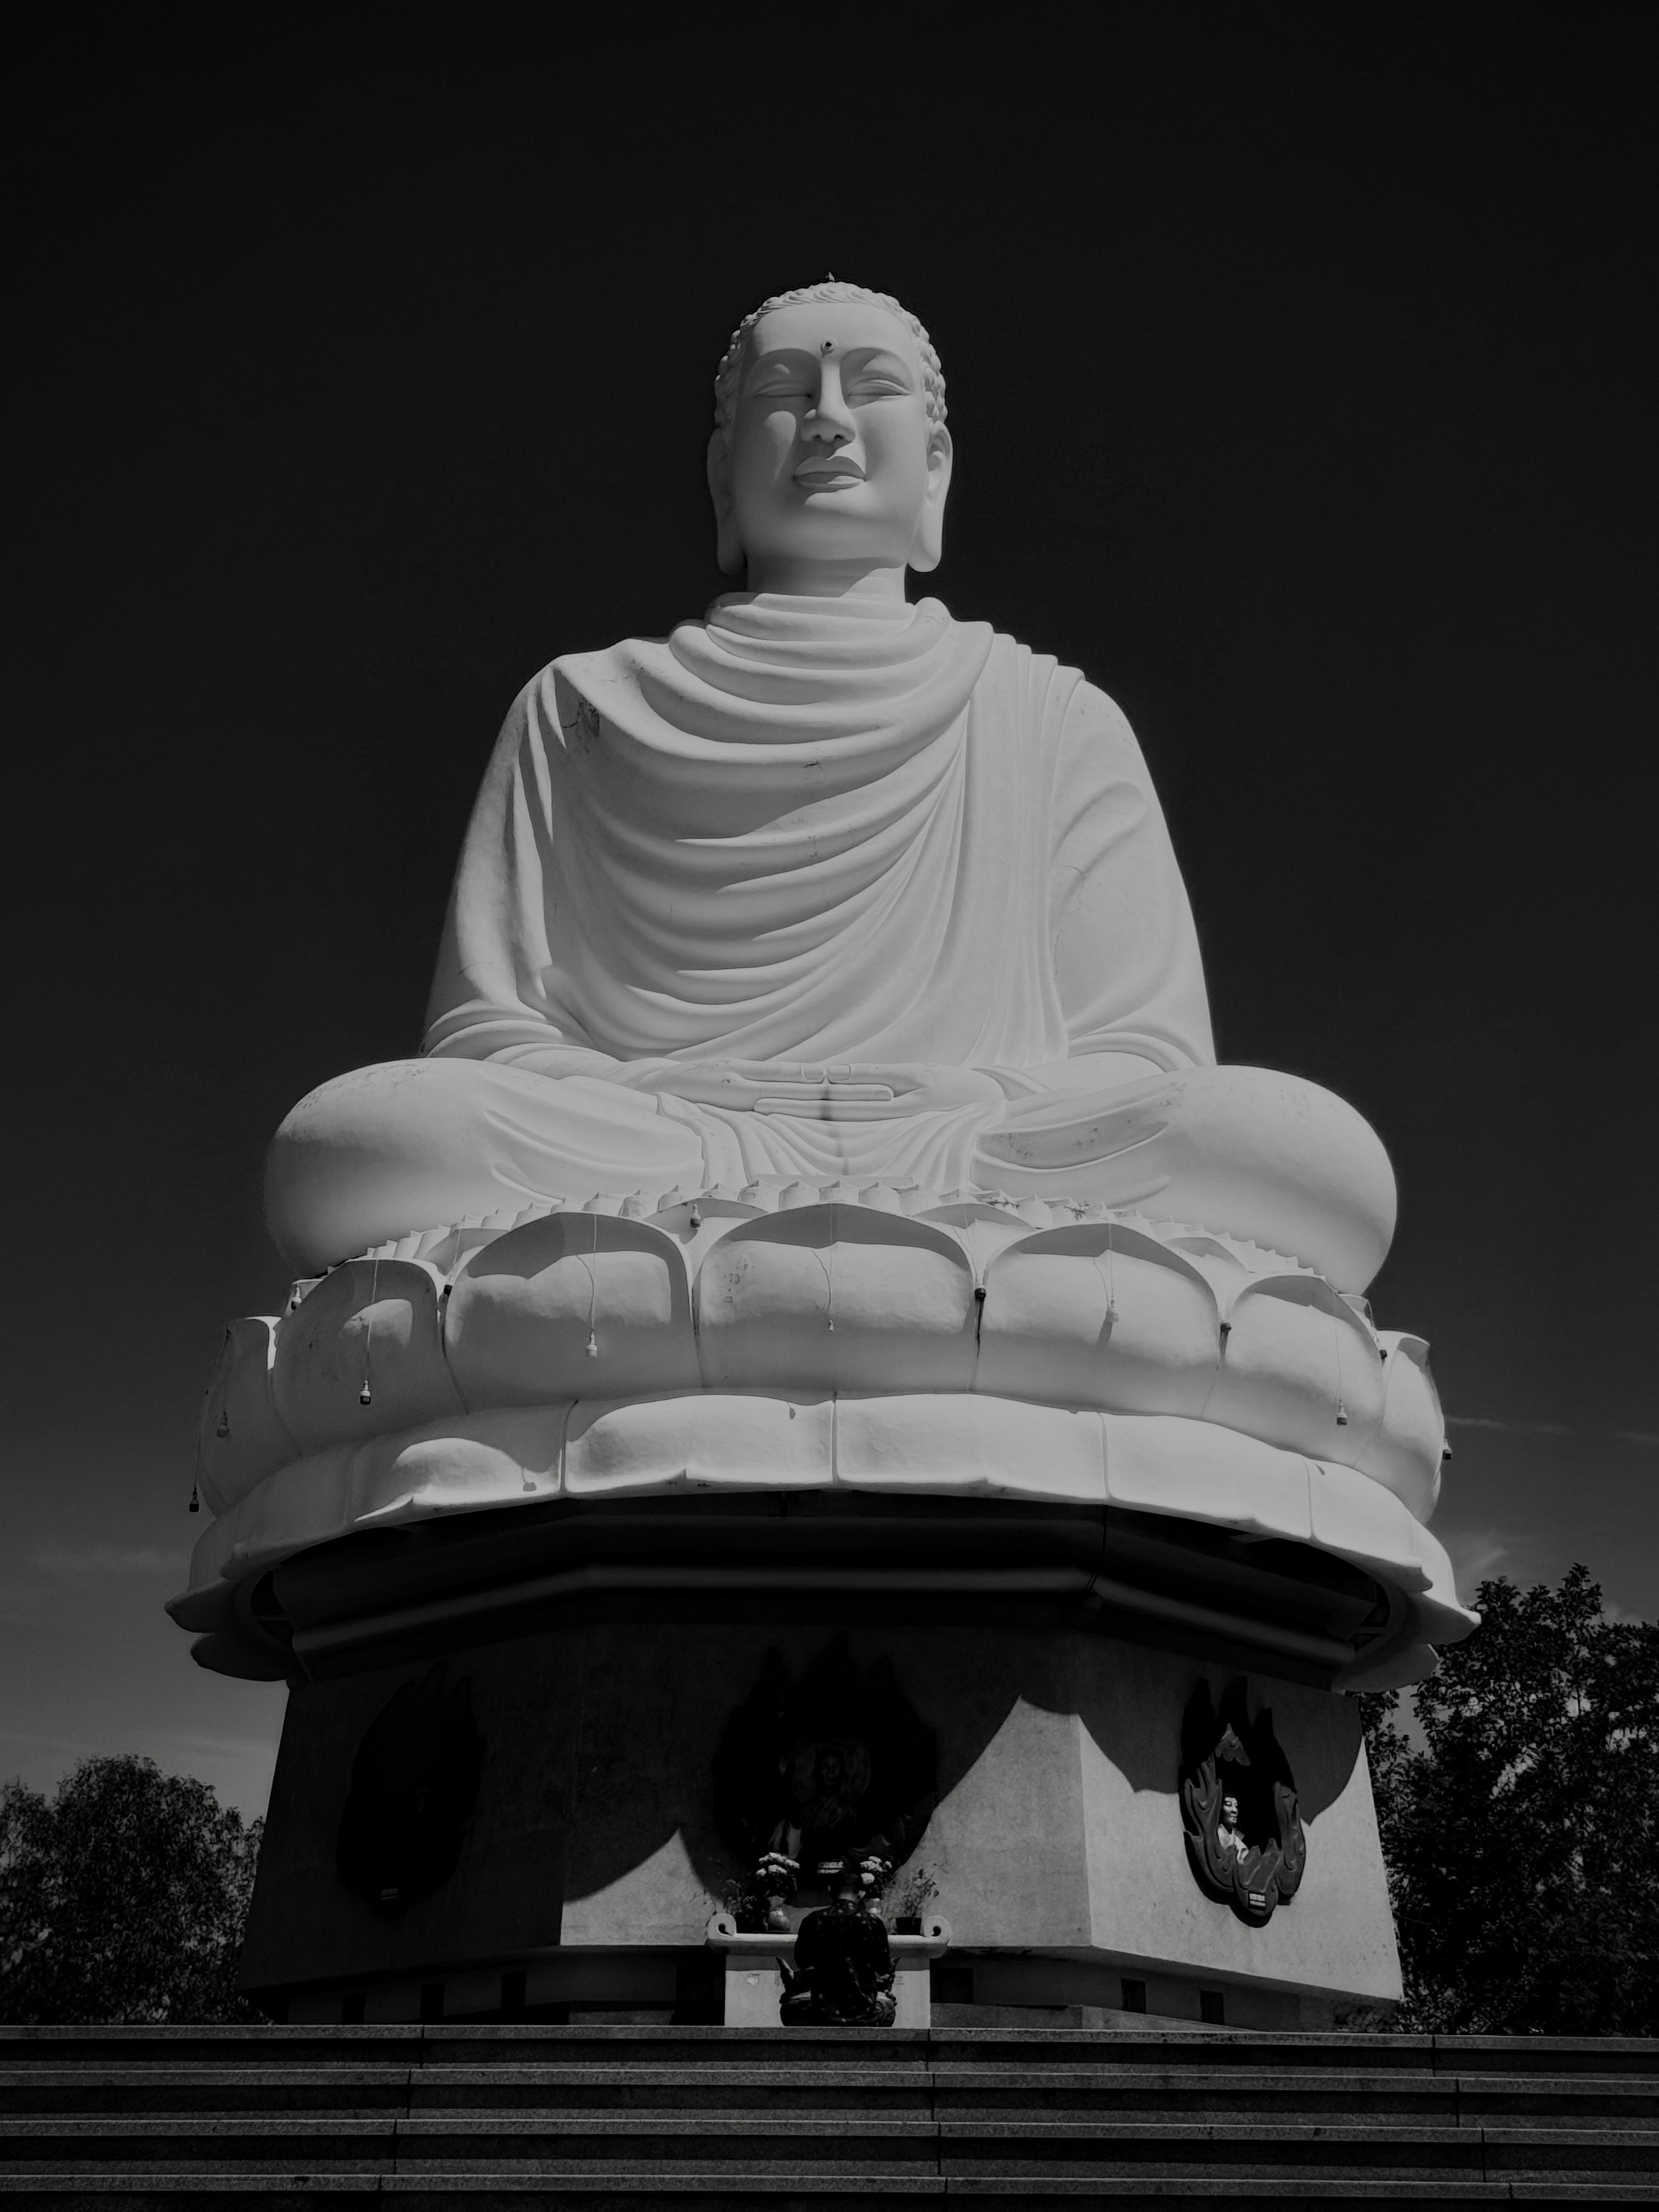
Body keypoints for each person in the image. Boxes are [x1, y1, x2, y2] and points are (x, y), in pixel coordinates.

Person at [266, 280, 1394, 1296]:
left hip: (973, 1146)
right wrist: (690, 1114)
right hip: (657, 1140)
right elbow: (488, 1035)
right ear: (722, 472)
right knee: (365, 1146)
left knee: (1296, 1150)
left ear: (935, 467)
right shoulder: (580, 707)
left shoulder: (1051, 715)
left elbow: (1145, 1058)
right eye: (785, 392)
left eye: (873, 387)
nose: (828, 420)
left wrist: (958, 1113)